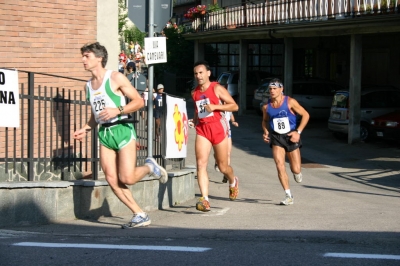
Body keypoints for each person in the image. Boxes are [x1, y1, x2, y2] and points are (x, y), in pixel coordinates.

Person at [74, 42, 168, 228]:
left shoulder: (115, 77)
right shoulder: (88, 86)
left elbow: (138, 102)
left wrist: (117, 110)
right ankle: (139, 214)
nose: (83, 60)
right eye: (83, 56)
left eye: (87, 56)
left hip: (122, 129)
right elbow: (96, 115)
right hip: (105, 133)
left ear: (99, 58)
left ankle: (149, 167)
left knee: (127, 178)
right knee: (110, 178)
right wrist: (84, 128)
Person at [190, 60, 239, 212]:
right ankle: (205, 200)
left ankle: (233, 180)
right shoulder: (194, 92)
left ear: (208, 73)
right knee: (201, 164)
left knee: (223, 166)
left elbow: (234, 106)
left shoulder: (216, 88)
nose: (198, 76)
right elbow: (198, 110)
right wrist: (195, 120)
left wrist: (216, 106)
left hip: (218, 127)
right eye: (196, 73)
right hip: (203, 129)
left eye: (201, 72)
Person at [261, 78, 310, 206]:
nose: (272, 91)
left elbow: (306, 115)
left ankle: (297, 172)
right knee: (279, 164)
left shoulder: (290, 102)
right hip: (277, 137)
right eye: (270, 89)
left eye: (275, 88)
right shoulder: (266, 107)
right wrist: (266, 132)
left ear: (281, 89)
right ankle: (288, 195)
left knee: (296, 169)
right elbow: (265, 121)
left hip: (291, 136)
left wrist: (298, 132)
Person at [215, 110, 239, 183]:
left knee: (228, 153)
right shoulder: (217, 103)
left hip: (227, 130)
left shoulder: (228, 105)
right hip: (218, 130)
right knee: (219, 153)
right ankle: (217, 161)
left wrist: (233, 121)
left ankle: (226, 175)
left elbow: (231, 114)